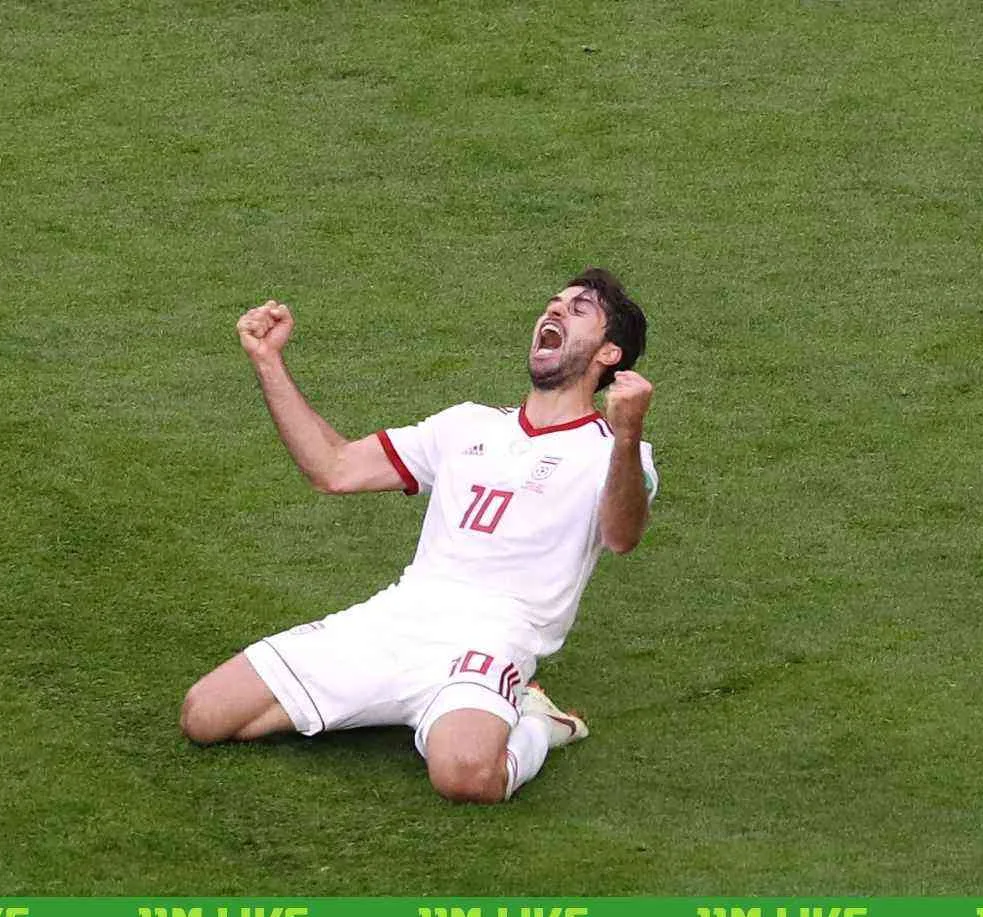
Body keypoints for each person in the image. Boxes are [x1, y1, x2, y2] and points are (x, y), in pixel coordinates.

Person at [180, 268, 657, 804]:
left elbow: (621, 535)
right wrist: (268, 360)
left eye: (578, 311)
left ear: (609, 354)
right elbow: (335, 468)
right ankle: (403, 702)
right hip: (398, 620)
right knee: (205, 714)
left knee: (467, 777)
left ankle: (538, 721)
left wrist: (628, 432)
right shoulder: (468, 425)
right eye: (553, 304)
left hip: (492, 641)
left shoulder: (615, 451)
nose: (554, 313)